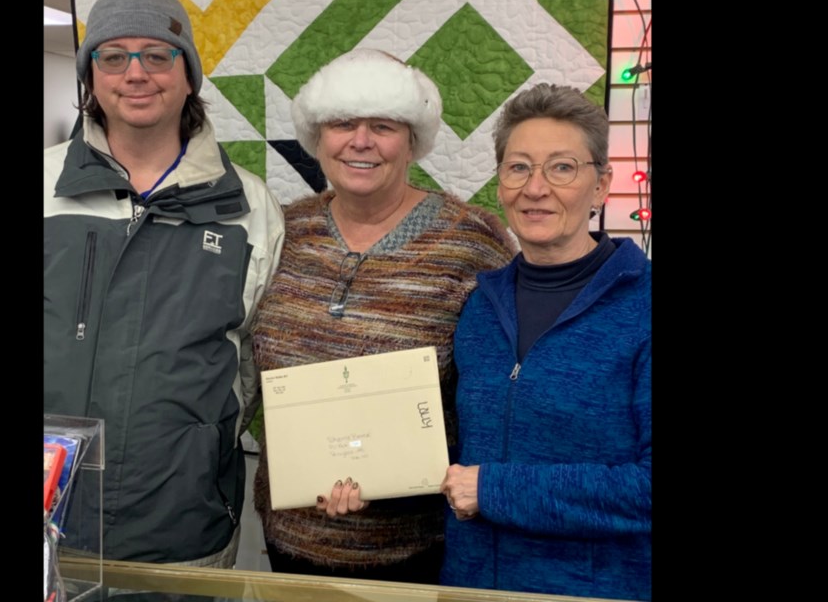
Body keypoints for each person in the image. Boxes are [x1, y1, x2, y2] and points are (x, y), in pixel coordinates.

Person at [250, 48, 520, 584]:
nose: (361, 141)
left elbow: (507, 387)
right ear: (316, 137)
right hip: (292, 543)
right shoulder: (279, 231)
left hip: (418, 550)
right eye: (343, 123)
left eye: (383, 125)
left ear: (413, 139)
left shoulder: (472, 240)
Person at [43, 0, 285, 567]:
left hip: (185, 527)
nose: (136, 73)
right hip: (50, 522)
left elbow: (254, 357)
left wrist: (199, 449)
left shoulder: (249, 207)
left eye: (157, 55)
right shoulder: (45, 185)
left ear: (188, 74)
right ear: (90, 75)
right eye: (114, 55)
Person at [440, 83, 651, 600]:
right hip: (468, 588)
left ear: (601, 185)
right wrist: (366, 481)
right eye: (519, 168)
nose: (535, 188)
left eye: (561, 167)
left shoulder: (644, 308)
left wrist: (495, 491)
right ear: (499, 184)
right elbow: (456, 459)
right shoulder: (478, 307)